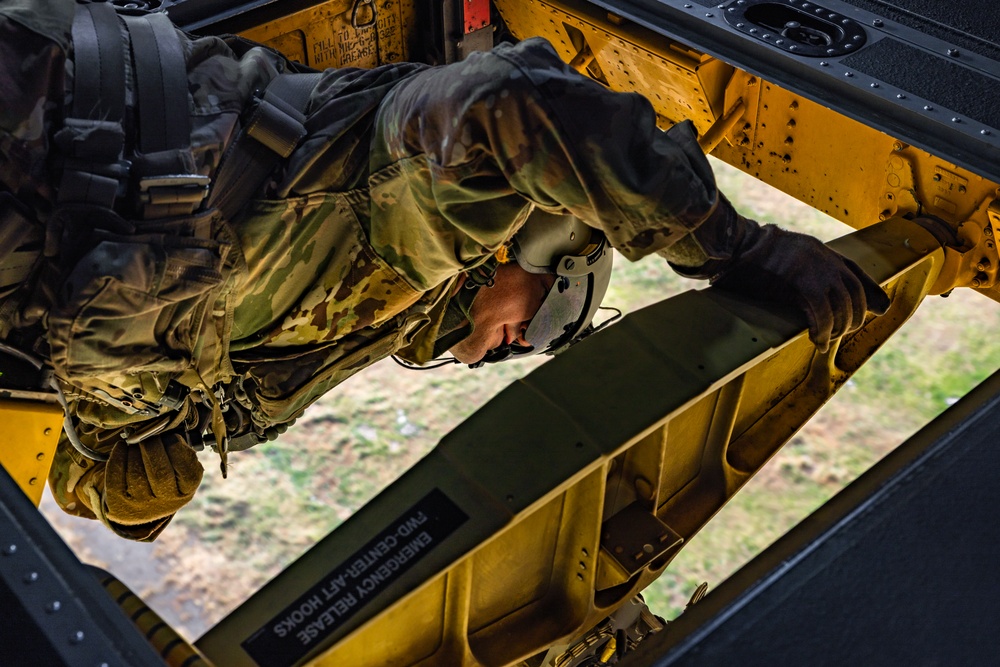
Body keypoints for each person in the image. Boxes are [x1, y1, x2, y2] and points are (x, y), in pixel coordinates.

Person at [0, 0, 888, 540]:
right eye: (533, 328)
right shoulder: (409, 219)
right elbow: (508, 99)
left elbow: (94, 402)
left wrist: (116, 487)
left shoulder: (357, 318)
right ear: (533, 253)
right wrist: (737, 246)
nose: (498, 350)